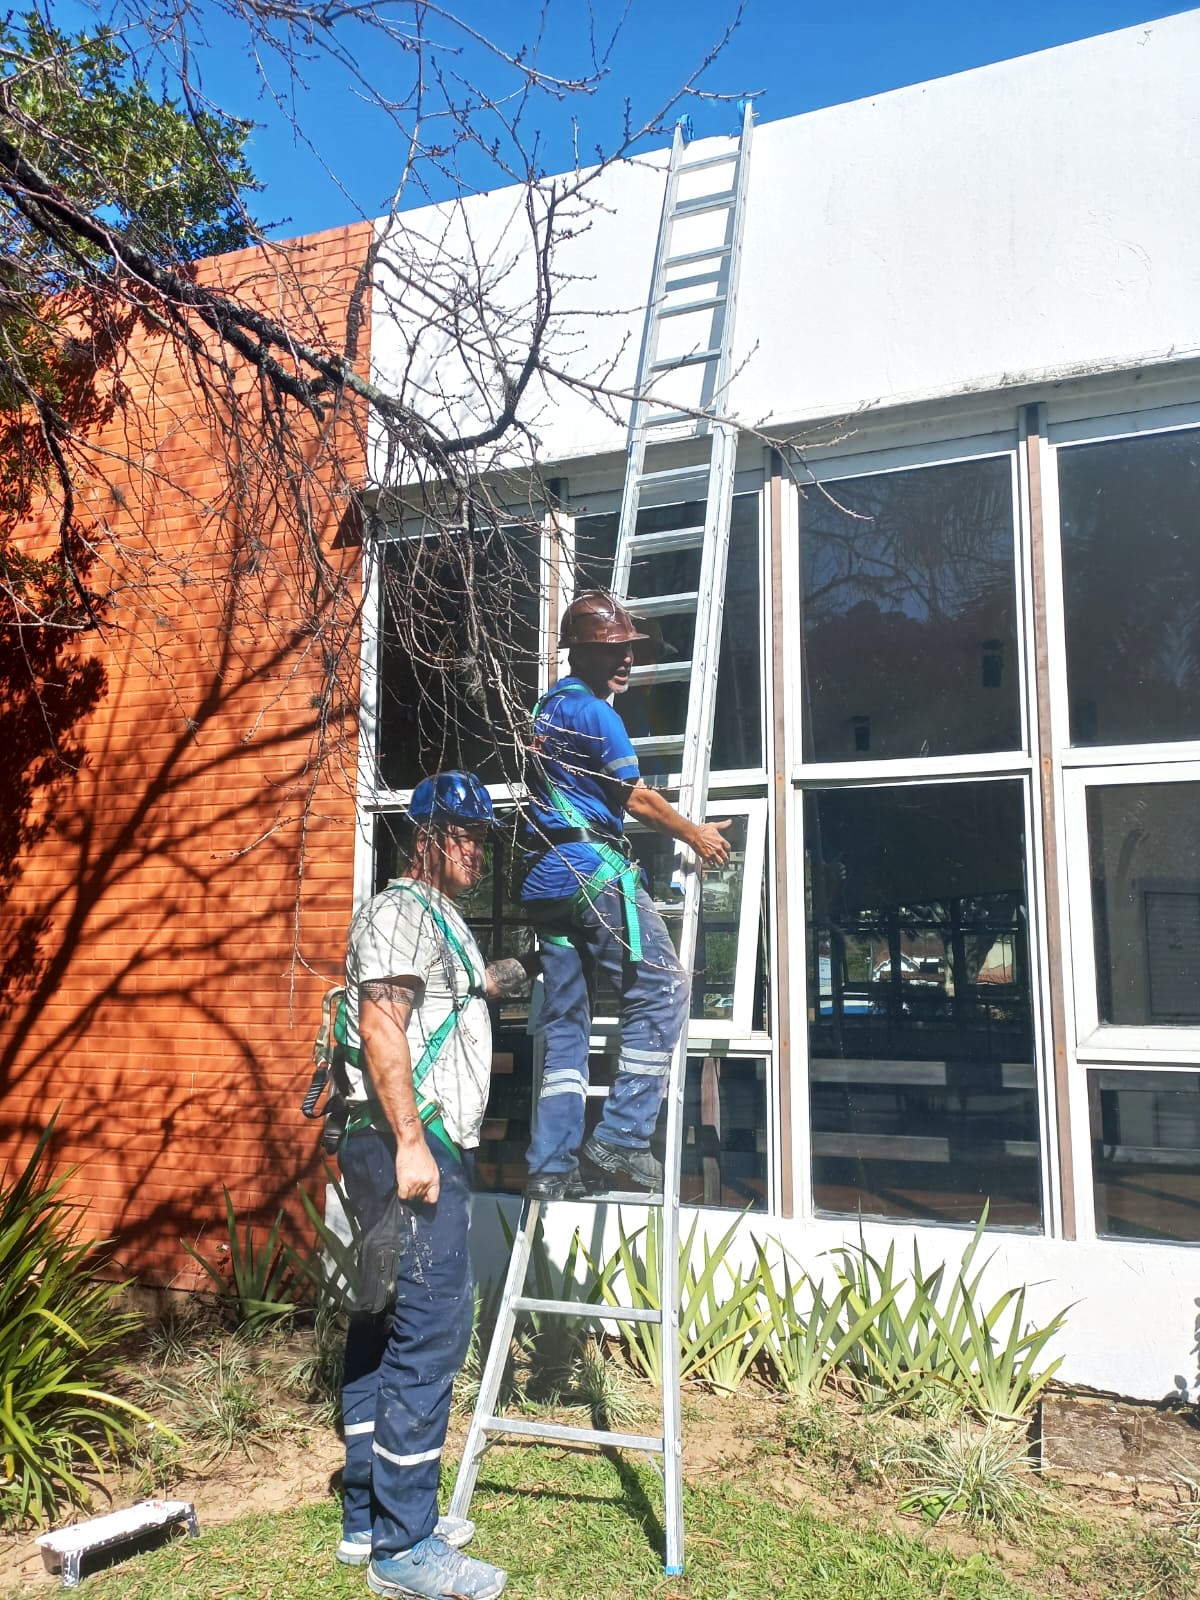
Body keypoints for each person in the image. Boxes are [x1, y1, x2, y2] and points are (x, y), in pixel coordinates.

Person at [336, 771, 534, 1600]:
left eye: (483, 836)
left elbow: (461, 988)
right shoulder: (396, 911)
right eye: (463, 834)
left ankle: (368, 1518)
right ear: (423, 836)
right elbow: (384, 1022)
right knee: (431, 1331)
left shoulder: (437, 921)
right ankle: (405, 1548)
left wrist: (514, 971)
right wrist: (414, 1145)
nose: (476, 849)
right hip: (405, 1145)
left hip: (407, 1143)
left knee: (382, 1322)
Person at [521, 590, 732, 1200]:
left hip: (549, 882)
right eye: (610, 651)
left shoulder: (546, 710)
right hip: (591, 872)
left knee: (565, 1029)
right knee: (664, 987)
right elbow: (633, 797)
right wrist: (692, 832)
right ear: (579, 653)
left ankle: (550, 1167)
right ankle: (622, 1137)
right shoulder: (597, 714)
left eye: (629, 651)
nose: (626, 662)